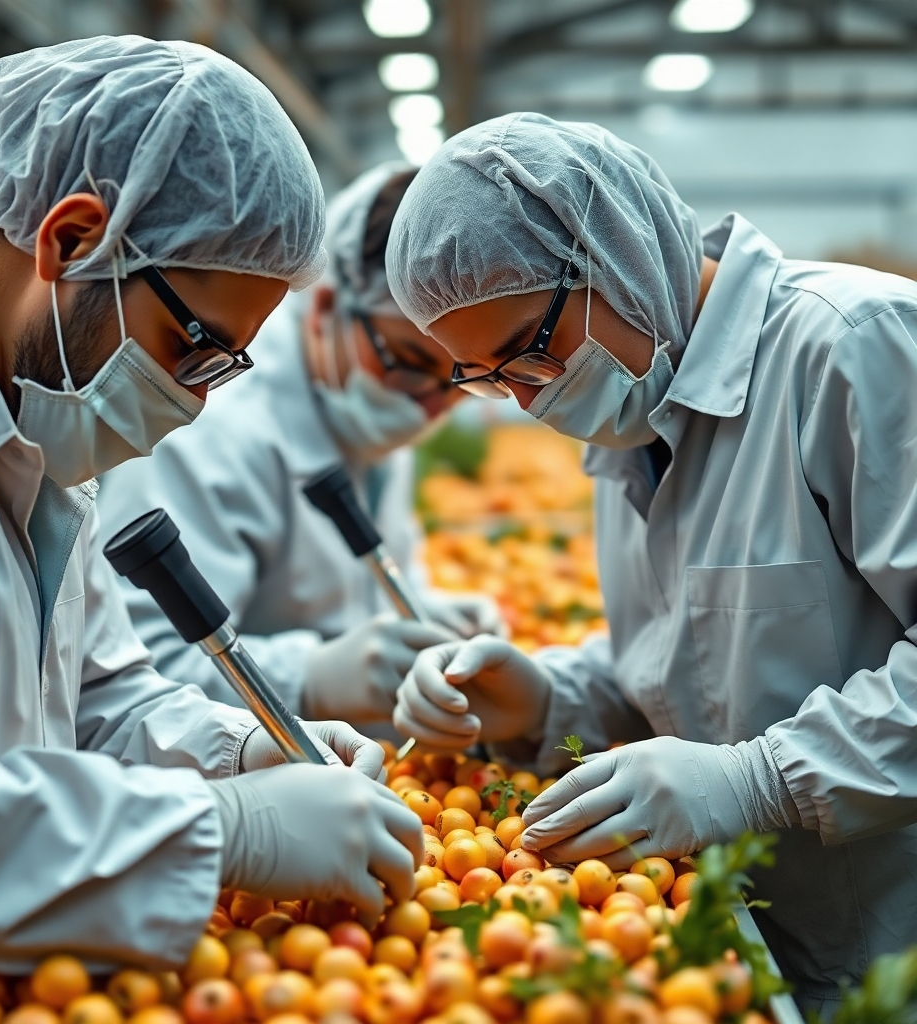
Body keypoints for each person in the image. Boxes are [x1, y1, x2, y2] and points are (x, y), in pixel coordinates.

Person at [0, 35, 422, 970]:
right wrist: (221, 831)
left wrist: (239, 755)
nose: (193, 404)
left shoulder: (29, 413)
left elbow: (97, 696)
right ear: (70, 239)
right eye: (194, 349)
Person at [385, 112, 917, 1010]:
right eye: (485, 376)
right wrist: (549, 697)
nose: (523, 401)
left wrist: (759, 781)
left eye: (528, 351)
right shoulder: (633, 411)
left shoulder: (855, 349)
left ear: (612, 253)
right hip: (747, 947)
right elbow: (698, 665)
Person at [96, 163, 501, 728]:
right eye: (409, 365)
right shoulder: (208, 433)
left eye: (462, 382)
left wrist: (425, 616)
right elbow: (136, 671)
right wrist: (307, 677)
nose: (429, 407)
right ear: (328, 310)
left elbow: (365, 588)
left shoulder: (368, 418)